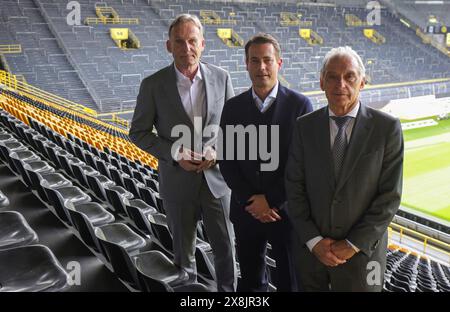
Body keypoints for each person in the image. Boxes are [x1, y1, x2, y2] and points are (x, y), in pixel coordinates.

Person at [129, 14, 237, 292]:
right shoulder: (152, 85)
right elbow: (138, 133)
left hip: (217, 182)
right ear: (169, 46)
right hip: (177, 182)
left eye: (192, 41)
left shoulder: (222, 78)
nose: (186, 48)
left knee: (226, 252)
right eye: (180, 41)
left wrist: (217, 151)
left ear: (203, 44)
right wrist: (175, 152)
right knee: (183, 259)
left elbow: (235, 128)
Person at [285, 46, 404, 291]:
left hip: (363, 258)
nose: (340, 84)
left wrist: (352, 244)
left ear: (362, 82)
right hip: (312, 256)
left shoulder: (387, 128)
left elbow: (389, 197)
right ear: (321, 82)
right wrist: (315, 241)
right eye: (332, 76)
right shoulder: (303, 127)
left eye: (349, 76)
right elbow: (294, 187)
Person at [219, 33, 312, 292]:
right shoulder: (232, 107)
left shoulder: (300, 105)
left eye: (268, 60)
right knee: (249, 281)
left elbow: (302, 165)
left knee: (289, 282)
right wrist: (250, 200)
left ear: (279, 63)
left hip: (286, 213)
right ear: (246, 64)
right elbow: (227, 160)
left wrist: (270, 200)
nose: (261, 67)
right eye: (255, 60)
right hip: (246, 211)